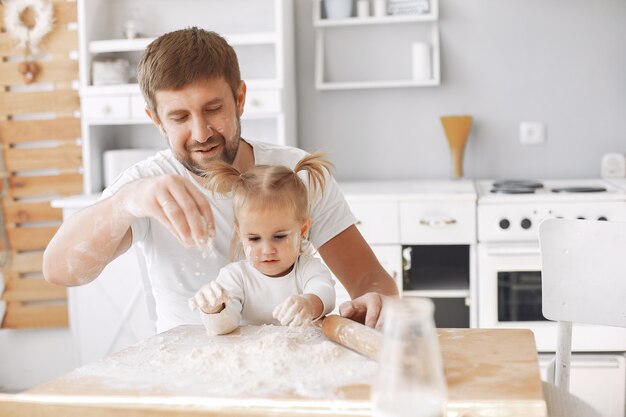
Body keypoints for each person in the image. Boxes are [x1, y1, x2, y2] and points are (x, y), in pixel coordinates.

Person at [42, 27, 398, 332]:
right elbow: (59, 271)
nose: (200, 133)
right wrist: (125, 202)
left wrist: (373, 304)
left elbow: (373, 283)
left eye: (213, 110)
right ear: (156, 120)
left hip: (293, 365)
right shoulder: (146, 185)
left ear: (240, 99)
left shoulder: (295, 174)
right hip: (189, 375)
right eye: (179, 116)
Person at [188, 153, 336, 335]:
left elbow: (325, 292)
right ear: (239, 233)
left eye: (279, 236)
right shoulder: (236, 277)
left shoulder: (307, 269)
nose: (267, 250)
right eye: (254, 239)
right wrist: (214, 309)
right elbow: (223, 327)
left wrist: (308, 303)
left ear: (303, 229)